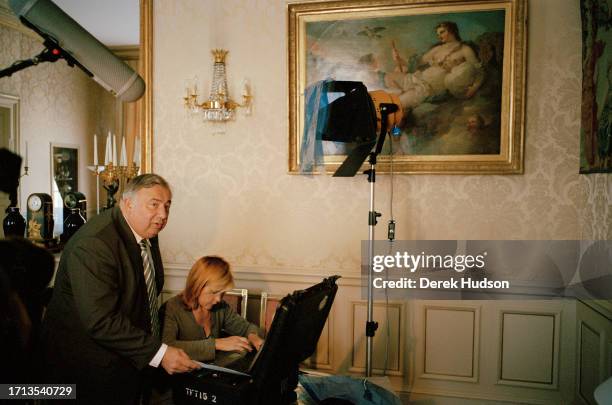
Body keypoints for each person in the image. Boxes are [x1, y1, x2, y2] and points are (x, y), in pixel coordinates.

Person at [41, 173, 199, 405]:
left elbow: (145, 294)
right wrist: (159, 353)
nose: (163, 215)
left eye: (167, 206)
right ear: (127, 203)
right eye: (154, 205)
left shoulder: (144, 231)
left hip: (127, 361)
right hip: (87, 371)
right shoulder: (95, 244)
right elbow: (101, 321)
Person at [162, 256, 264, 365]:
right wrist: (216, 344)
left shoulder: (220, 307)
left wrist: (254, 337)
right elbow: (167, 347)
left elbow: (246, 328)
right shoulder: (172, 307)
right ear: (197, 285)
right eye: (214, 292)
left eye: (222, 293)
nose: (218, 299)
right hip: (182, 375)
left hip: (210, 374)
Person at [380, 21, 484, 110]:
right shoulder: (438, 49)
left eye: (442, 32)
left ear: (452, 31)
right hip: (418, 77)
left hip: (430, 87)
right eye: (438, 33)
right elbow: (418, 62)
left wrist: (474, 87)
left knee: (398, 103)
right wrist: (399, 59)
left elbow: (478, 70)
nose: (439, 35)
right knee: (388, 78)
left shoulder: (464, 49)